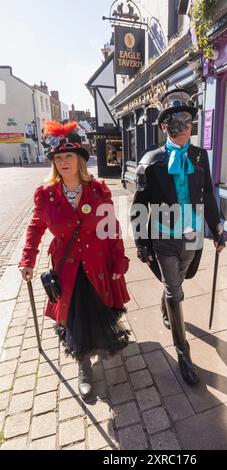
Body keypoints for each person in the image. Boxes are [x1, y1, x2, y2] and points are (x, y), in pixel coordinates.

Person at [19, 120, 130, 402]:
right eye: (58, 157)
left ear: (80, 159)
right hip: (67, 268)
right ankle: (84, 367)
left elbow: (112, 227)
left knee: (100, 311)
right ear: (53, 162)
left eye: (69, 156)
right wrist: (27, 259)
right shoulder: (46, 194)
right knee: (74, 318)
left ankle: (95, 350)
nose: (63, 161)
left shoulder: (99, 189)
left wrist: (119, 260)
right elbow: (35, 226)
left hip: (98, 263)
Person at [131, 89, 225, 386]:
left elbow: (207, 195)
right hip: (163, 236)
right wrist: (141, 242)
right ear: (164, 126)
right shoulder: (152, 159)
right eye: (175, 122)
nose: (183, 127)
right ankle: (183, 353)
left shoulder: (200, 155)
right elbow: (139, 205)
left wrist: (217, 229)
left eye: (187, 121)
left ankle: (165, 307)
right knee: (176, 291)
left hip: (193, 234)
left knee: (178, 282)